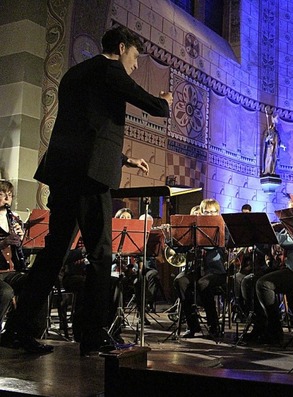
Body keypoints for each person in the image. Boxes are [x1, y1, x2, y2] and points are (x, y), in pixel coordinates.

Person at [1, 26, 172, 355]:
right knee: (100, 255)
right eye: (135, 58)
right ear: (121, 48)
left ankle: (19, 329)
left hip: (64, 175)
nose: (135, 65)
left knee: (53, 255)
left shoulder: (74, 74)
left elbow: (86, 129)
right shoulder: (109, 69)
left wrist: (124, 159)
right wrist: (163, 102)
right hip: (90, 179)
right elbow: (148, 103)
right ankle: (92, 334)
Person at [250, 227, 293, 345]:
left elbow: (286, 242)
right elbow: (266, 249)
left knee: (264, 284)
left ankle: (274, 330)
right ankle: (260, 326)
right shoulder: (288, 230)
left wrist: (268, 233)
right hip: (289, 269)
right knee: (251, 281)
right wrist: (257, 239)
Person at [173, 199, 227, 338]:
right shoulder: (194, 228)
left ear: (218, 213)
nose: (210, 215)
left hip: (216, 271)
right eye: (206, 212)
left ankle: (213, 325)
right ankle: (192, 325)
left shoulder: (223, 228)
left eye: (213, 212)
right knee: (180, 281)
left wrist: (200, 241)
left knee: (203, 284)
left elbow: (217, 246)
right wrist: (171, 238)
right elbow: (181, 248)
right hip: (196, 270)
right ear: (201, 213)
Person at [0, 181, 29, 337]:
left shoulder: (15, 218)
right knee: (5, 292)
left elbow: (21, 248)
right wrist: (3, 243)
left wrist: (22, 238)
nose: (6, 198)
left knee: (34, 283)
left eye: (9, 195)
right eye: (2, 194)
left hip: (12, 270)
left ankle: (17, 330)